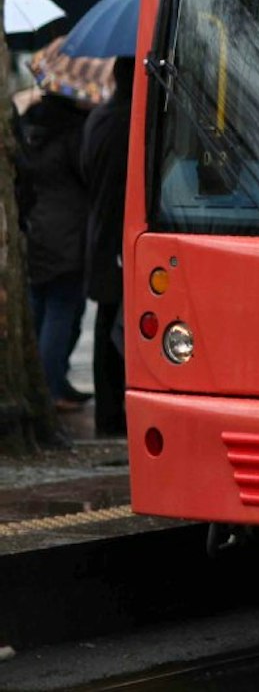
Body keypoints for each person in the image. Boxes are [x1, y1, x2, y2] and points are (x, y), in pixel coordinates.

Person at [12, 87, 92, 411]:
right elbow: (86, 178)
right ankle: (50, 388)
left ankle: (49, 383)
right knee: (61, 307)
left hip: (37, 229)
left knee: (42, 305)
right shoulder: (72, 137)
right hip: (68, 233)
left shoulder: (30, 136)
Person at [80, 57, 133, 437]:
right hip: (115, 238)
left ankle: (108, 413)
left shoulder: (99, 117)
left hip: (99, 232)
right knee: (114, 328)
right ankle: (112, 416)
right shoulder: (124, 121)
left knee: (106, 322)